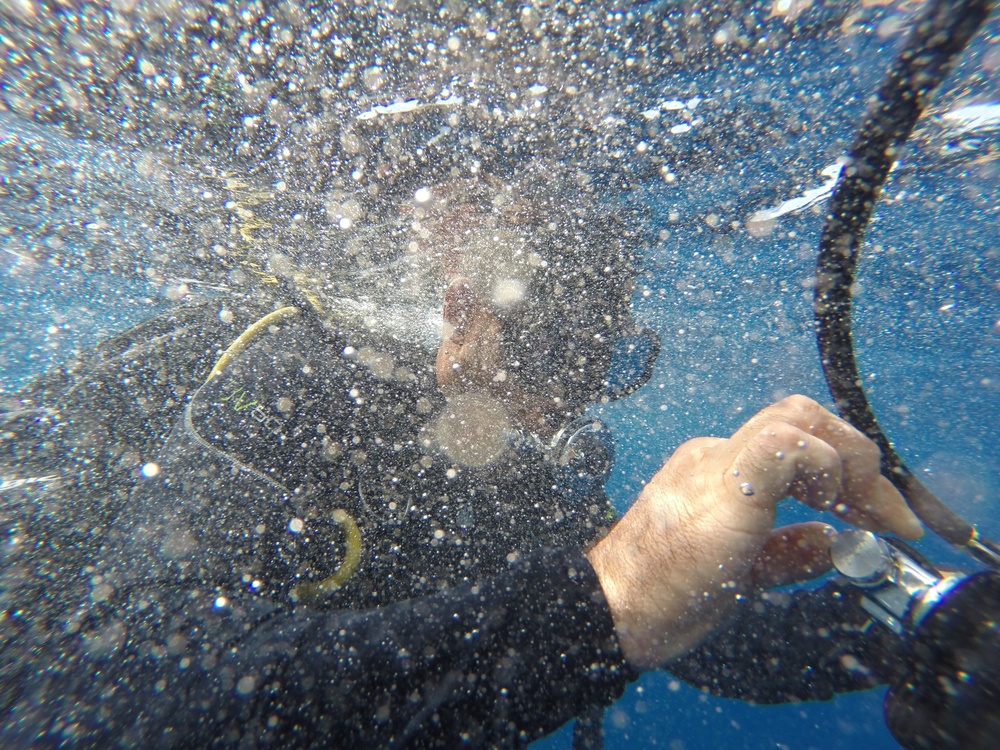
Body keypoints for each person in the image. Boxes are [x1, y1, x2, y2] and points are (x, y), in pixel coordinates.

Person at [0, 168, 922, 748]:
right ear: (457, 314)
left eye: (600, 361)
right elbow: (115, 702)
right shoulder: (295, 382)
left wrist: (925, 637)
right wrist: (613, 598)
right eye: (553, 352)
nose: (567, 400)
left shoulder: (512, 468)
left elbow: (702, 646)